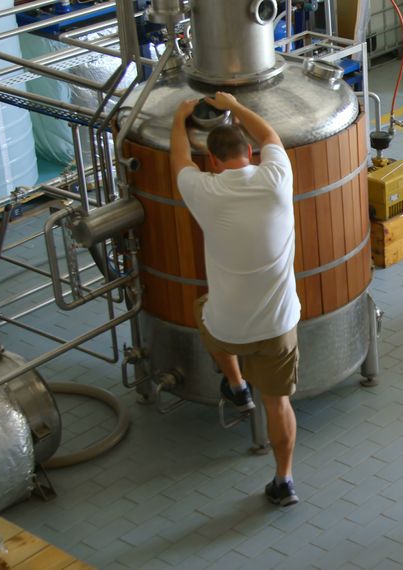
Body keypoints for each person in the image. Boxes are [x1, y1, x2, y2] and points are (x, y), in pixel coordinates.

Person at [170, 92, 300, 507]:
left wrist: (179, 118)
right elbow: (271, 134)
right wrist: (237, 106)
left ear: (212, 162)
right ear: (250, 153)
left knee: (202, 309)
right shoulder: (277, 177)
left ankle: (236, 384)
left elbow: (178, 161)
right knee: (278, 402)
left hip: (228, 329)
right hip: (279, 326)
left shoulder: (205, 191)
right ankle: (284, 481)